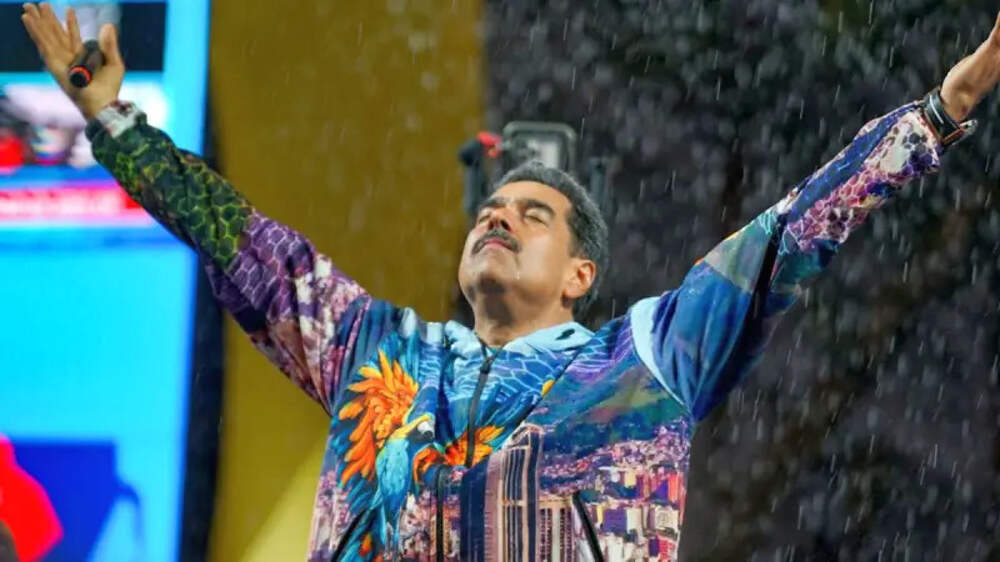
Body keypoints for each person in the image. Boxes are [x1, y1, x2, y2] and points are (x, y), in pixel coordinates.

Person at [19, 3, 1000, 560]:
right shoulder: (372, 350)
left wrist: (937, 114)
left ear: (581, 274)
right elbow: (238, 238)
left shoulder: (648, 359)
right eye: (492, 208)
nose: (498, 216)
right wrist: (112, 121)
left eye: (534, 214)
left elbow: (793, 232)